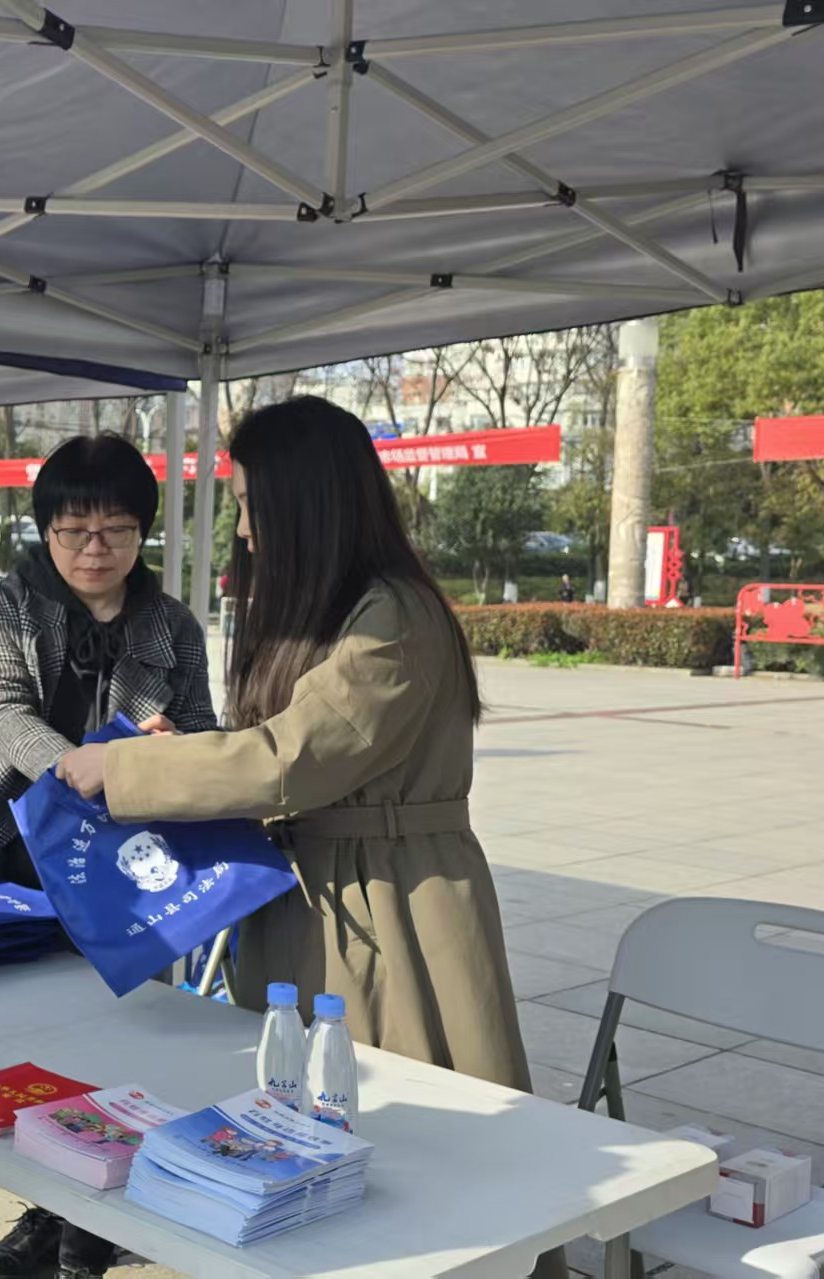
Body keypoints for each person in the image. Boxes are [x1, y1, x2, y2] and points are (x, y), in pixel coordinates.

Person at [54, 399, 554, 1277]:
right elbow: (280, 752)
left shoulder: (392, 619)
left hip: (388, 903)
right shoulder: (336, 611)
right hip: (314, 886)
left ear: (306, 502)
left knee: (412, 1141)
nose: (244, 530)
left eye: (251, 504)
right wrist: (188, 752)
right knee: (306, 1131)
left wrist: (131, 769)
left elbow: (290, 758)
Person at [0, 437, 216, 1279]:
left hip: (128, 867)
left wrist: (170, 747)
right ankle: (46, 1205)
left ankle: (83, 1226)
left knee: (115, 1046)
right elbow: (2, 710)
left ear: (142, 532)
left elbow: (202, 730)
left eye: (115, 530)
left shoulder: (171, 624)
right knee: (29, 1051)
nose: (94, 548)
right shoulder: (5, 604)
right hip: (14, 855)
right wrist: (81, 764)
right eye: (73, 530)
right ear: (45, 530)